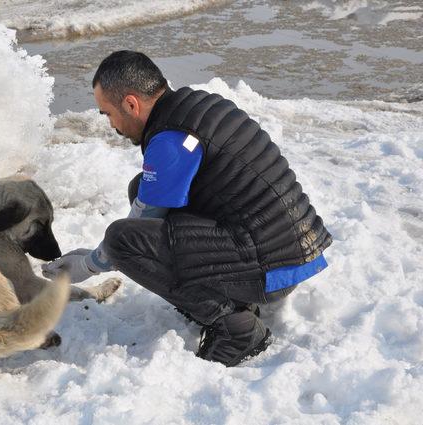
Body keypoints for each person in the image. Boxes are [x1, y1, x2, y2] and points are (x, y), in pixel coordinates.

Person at [42, 50, 332, 367]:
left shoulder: (173, 140)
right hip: (287, 247)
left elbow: (137, 227)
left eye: (108, 114)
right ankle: (227, 298)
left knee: (122, 240)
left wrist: (87, 265)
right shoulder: (193, 106)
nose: (111, 125)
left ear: (130, 104)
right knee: (141, 188)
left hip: (272, 265)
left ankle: (236, 329)